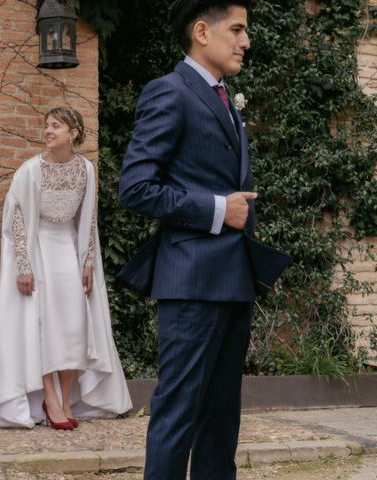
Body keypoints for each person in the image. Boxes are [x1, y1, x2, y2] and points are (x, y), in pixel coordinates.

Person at [119, 1, 257, 478]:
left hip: (234, 281)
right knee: (178, 415)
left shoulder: (226, 100)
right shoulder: (169, 92)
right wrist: (218, 209)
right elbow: (135, 187)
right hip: (191, 283)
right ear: (202, 31)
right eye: (237, 29)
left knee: (222, 421)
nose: (246, 41)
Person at [0, 107, 132, 430]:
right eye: (46, 126)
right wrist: (23, 266)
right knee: (41, 326)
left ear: (73, 133)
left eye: (55, 126)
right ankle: (50, 398)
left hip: (69, 251)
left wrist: (87, 262)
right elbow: (16, 221)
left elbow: (87, 219)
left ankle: (66, 395)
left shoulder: (86, 169)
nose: (48, 131)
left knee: (75, 325)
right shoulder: (30, 171)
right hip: (37, 248)